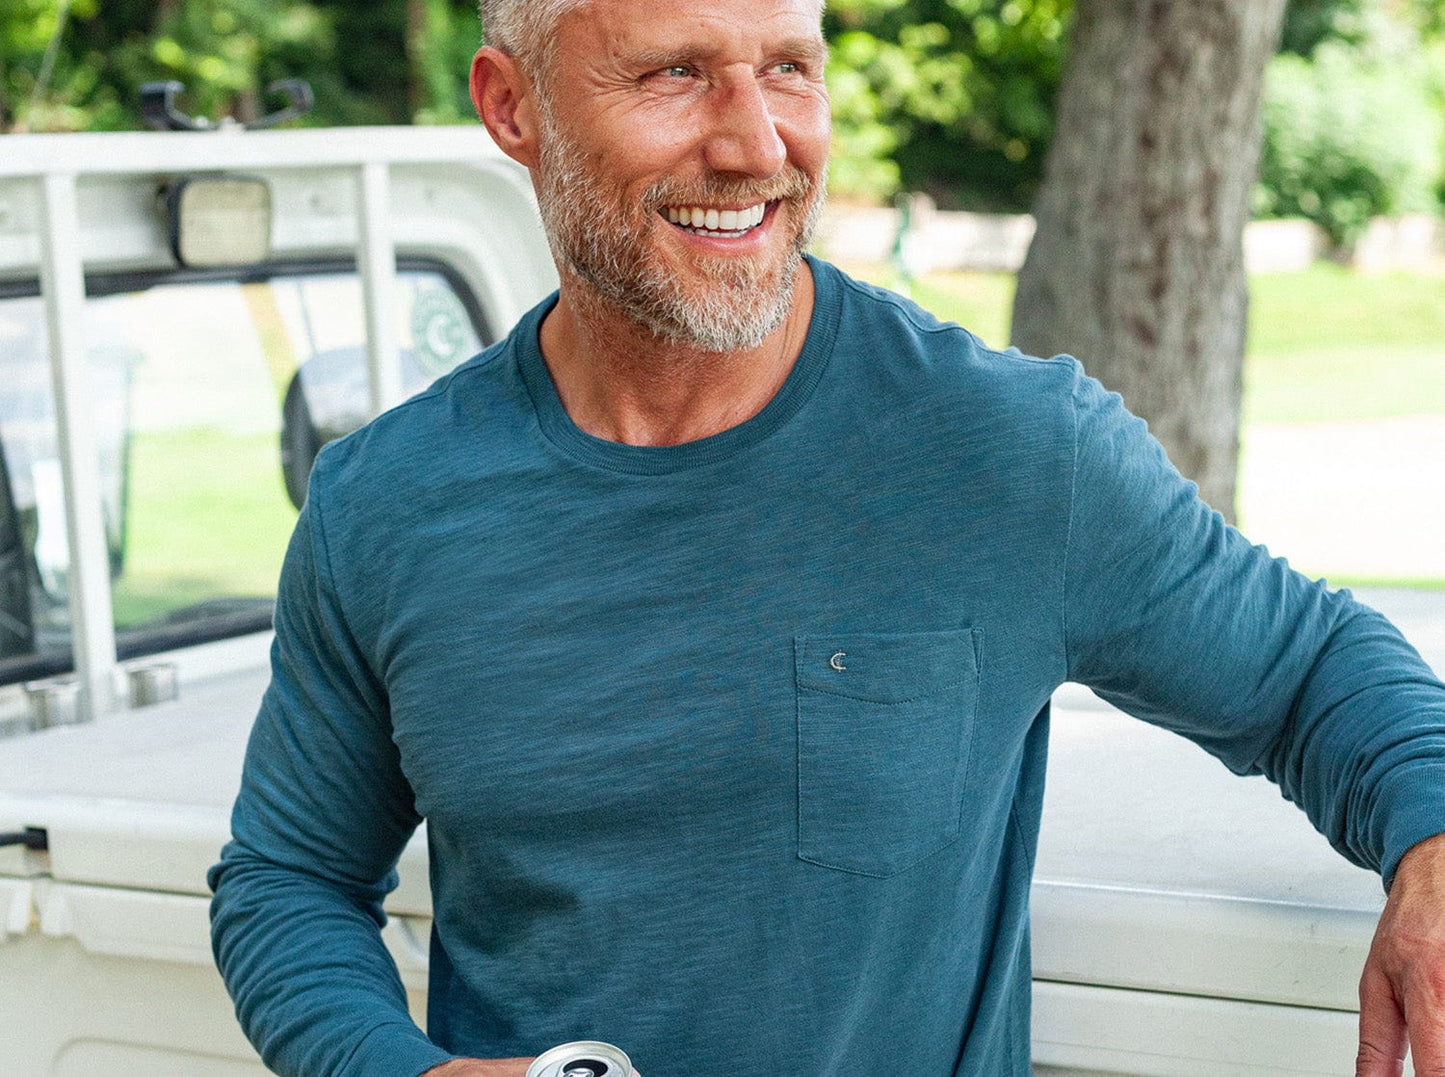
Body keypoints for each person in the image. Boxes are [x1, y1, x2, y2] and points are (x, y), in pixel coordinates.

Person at [208, 0, 1445, 1074]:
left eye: (788, 69)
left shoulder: (1008, 450)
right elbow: (289, 880)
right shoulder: (384, 502)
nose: (756, 145)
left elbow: (1308, 673)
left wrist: (1432, 845)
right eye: (674, 72)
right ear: (510, 104)